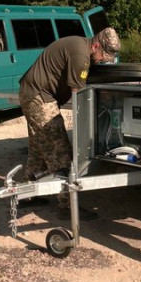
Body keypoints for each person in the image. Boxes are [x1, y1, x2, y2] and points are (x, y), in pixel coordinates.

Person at [18, 27, 121, 221]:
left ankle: (26, 194)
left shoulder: (81, 45)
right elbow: (78, 97)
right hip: (40, 97)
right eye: (102, 56)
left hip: (32, 93)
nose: (101, 60)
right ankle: (67, 205)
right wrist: (86, 131)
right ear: (96, 45)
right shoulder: (81, 55)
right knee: (61, 149)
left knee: (39, 147)